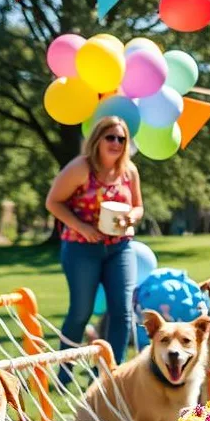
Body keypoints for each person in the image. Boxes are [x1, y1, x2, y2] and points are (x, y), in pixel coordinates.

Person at [45, 117, 143, 372]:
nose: (116, 143)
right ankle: (64, 373)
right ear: (97, 139)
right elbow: (53, 202)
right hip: (81, 248)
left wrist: (133, 216)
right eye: (110, 137)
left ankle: (111, 374)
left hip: (120, 247)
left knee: (122, 312)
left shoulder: (129, 170)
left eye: (122, 139)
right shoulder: (80, 168)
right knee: (80, 311)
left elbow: (139, 207)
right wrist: (83, 228)